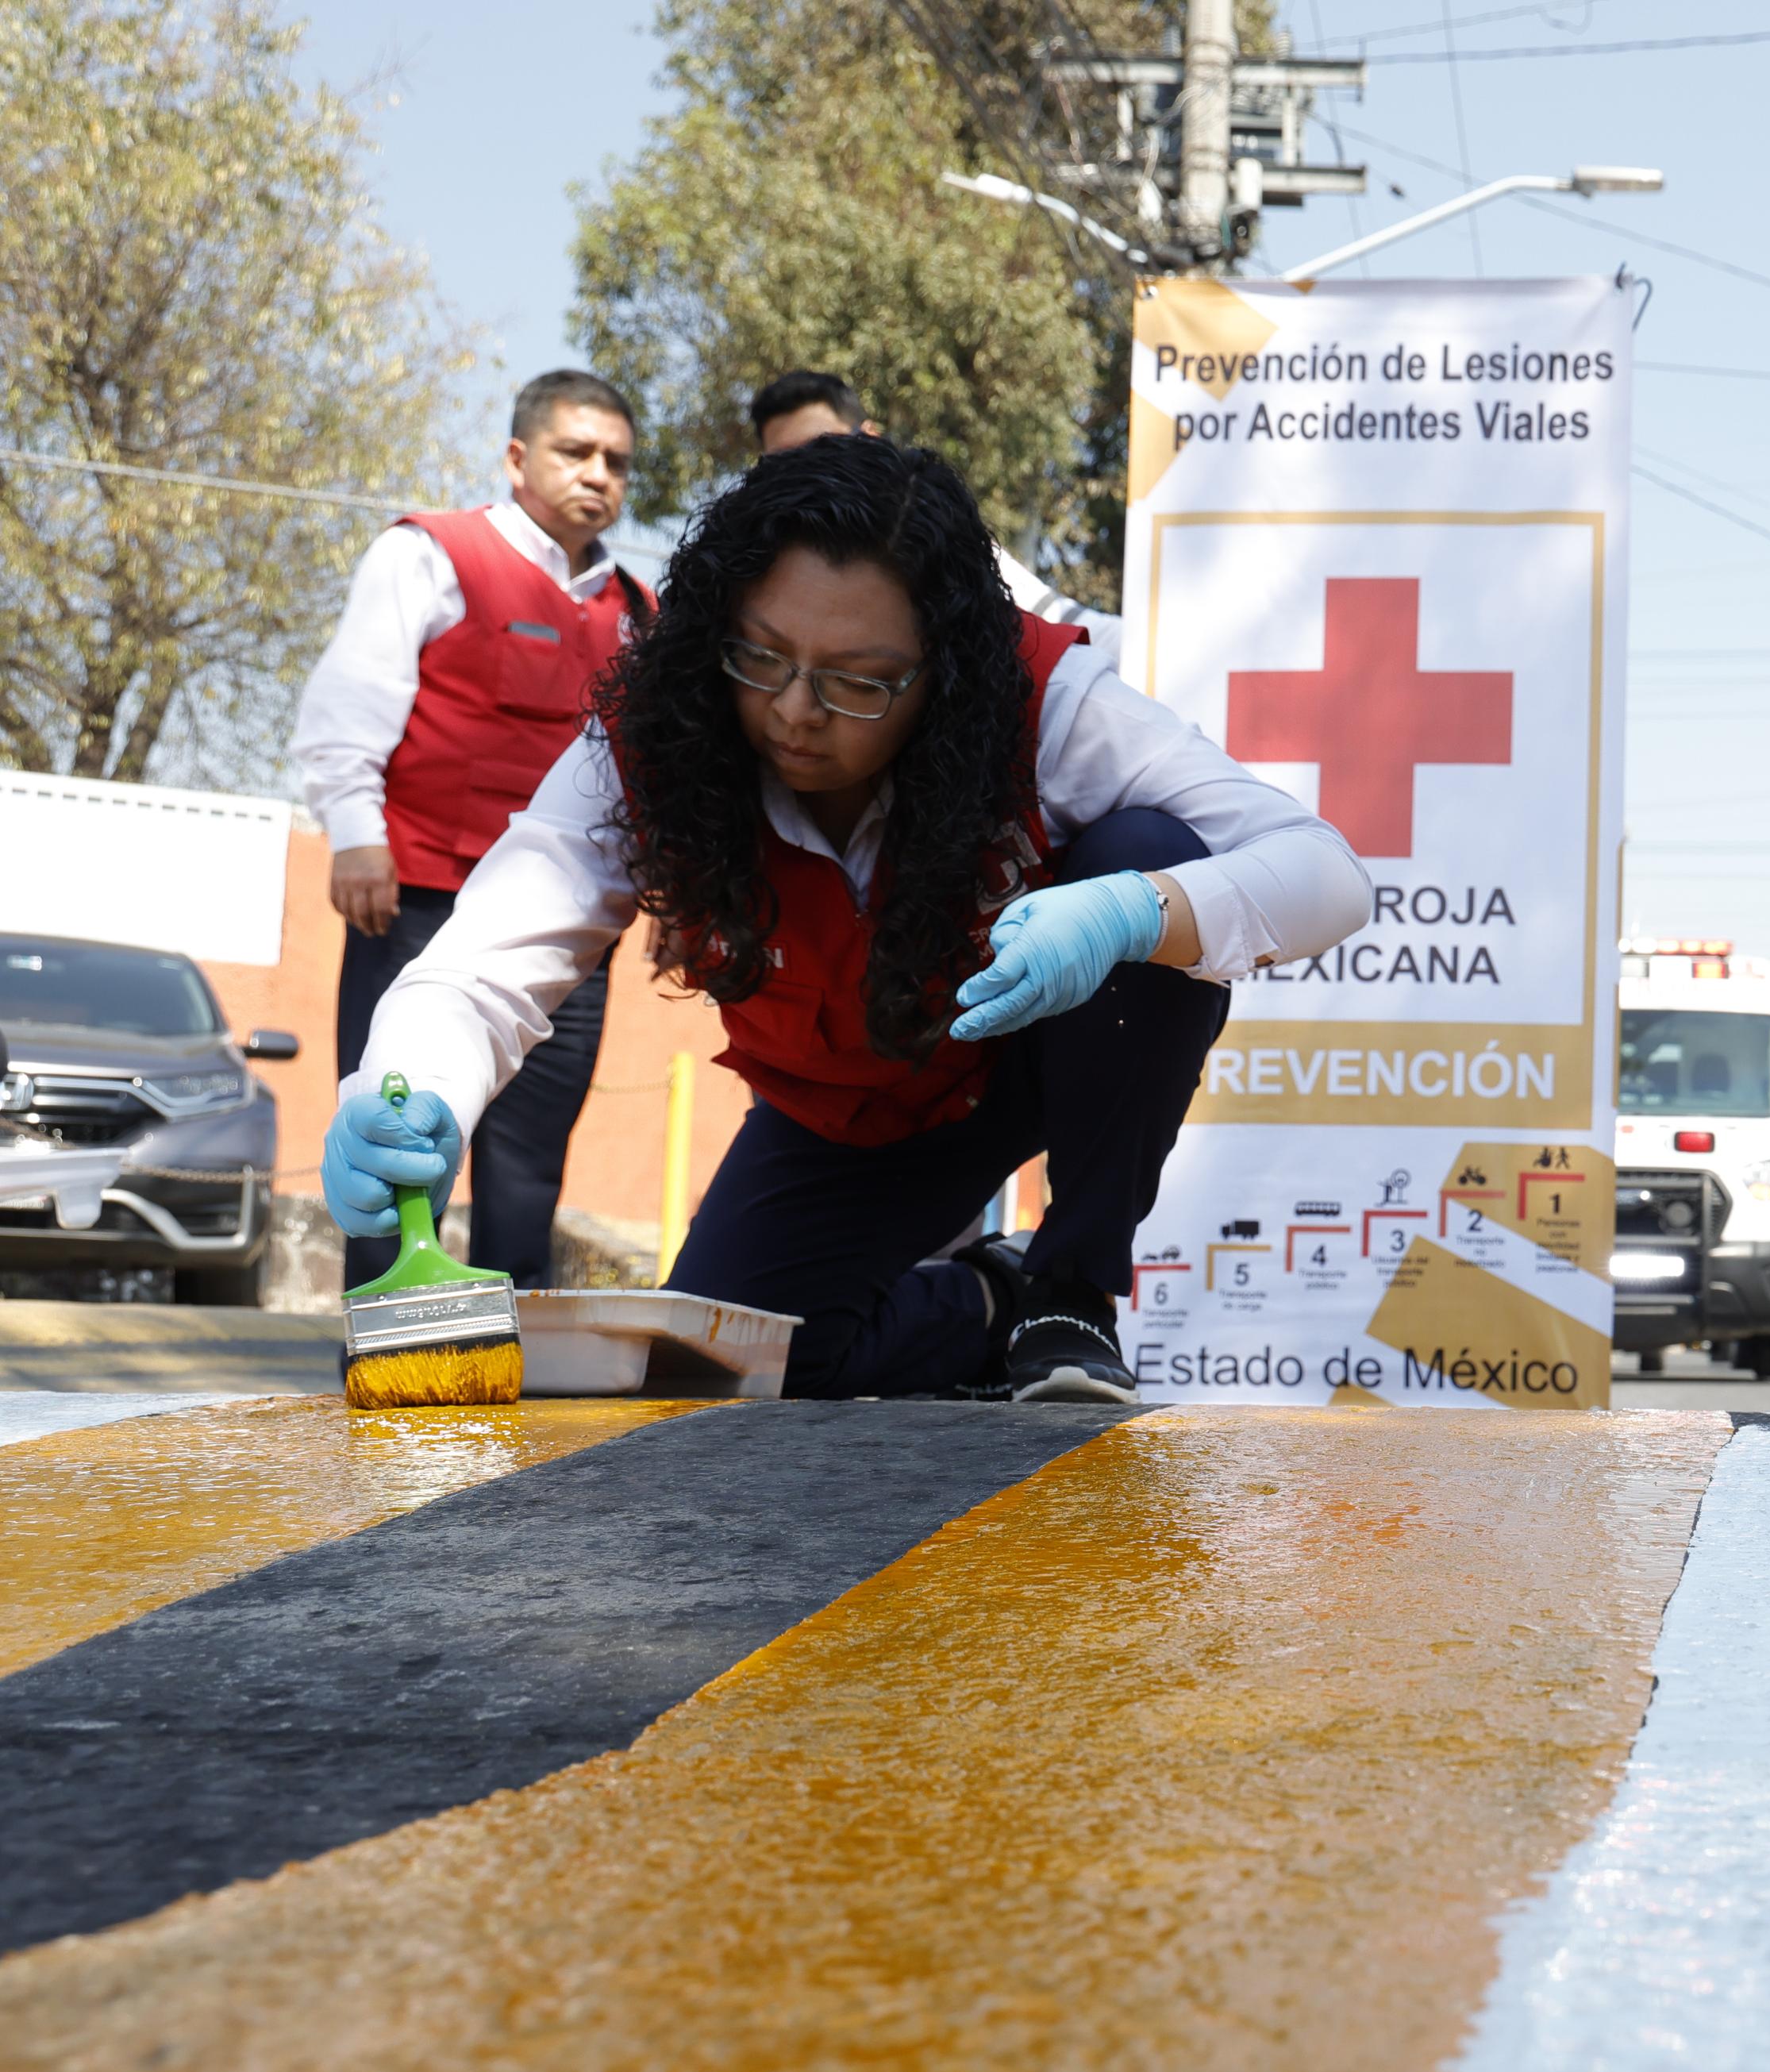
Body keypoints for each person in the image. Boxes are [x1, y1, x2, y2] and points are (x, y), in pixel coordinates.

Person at [321, 433, 1372, 1402]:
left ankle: (1068, 1291)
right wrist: (407, 1088)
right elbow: (490, 957)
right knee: (720, 1367)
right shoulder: (649, 738)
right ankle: (994, 1304)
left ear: (946, 673)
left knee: (1153, 856)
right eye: (762, 657)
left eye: (859, 683)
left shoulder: (1051, 700)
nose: (794, 711)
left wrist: (1130, 914)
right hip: (845, 1107)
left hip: (1019, 1054)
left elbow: (1323, 874)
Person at [292, 368, 651, 1290]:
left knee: (531, 1163)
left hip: (567, 931)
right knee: (393, 1139)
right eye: (576, 452)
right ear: (517, 457)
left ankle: (512, 1357)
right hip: (416, 898)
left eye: (616, 460)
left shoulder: (640, 613)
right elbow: (349, 700)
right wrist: (354, 834)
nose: (597, 474)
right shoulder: (430, 554)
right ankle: (380, 1351)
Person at [748, 370, 1101, 631]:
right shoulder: (747, 567)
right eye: (782, 461)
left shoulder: (935, 540)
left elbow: (1055, 621)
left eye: (823, 446)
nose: (805, 471)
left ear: (870, 437)